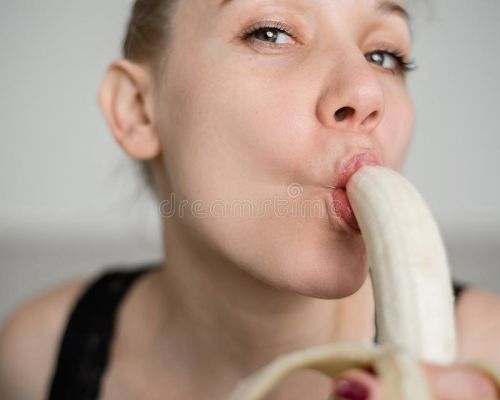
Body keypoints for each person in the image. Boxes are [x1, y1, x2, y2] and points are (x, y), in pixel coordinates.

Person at [1, 0, 499, 399]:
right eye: (271, 33)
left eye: (384, 56)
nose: (366, 92)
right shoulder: (35, 358)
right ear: (137, 110)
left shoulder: (488, 361)